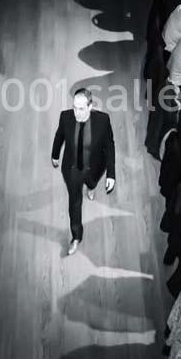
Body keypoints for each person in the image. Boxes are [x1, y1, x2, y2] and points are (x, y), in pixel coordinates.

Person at [51, 88, 116, 255]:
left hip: (94, 167)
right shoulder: (65, 117)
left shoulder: (103, 121)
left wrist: (111, 174)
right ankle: (76, 236)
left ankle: (91, 186)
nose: (76, 113)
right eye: (74, 107)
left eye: (81, 108)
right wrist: (55, 155)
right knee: (74, 204)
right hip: (72, 169)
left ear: (90, 105)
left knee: (91, 183)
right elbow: (59, 136)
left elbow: (109, 146)